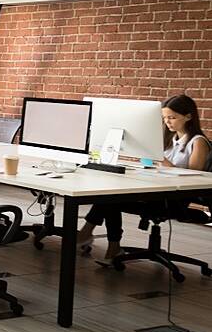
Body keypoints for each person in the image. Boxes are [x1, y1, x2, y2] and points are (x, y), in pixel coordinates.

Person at [77, 94, 211, 259]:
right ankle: (108, 245)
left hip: (174, 199)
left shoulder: (198, 142)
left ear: (188, 116)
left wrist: (168, 165)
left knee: (110, 199)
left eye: (172, 117)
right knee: (108, 197)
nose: (167, 122)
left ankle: (93, 237)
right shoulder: (170, 139)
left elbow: (196, 177)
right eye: (164, 118)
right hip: (157, 190)